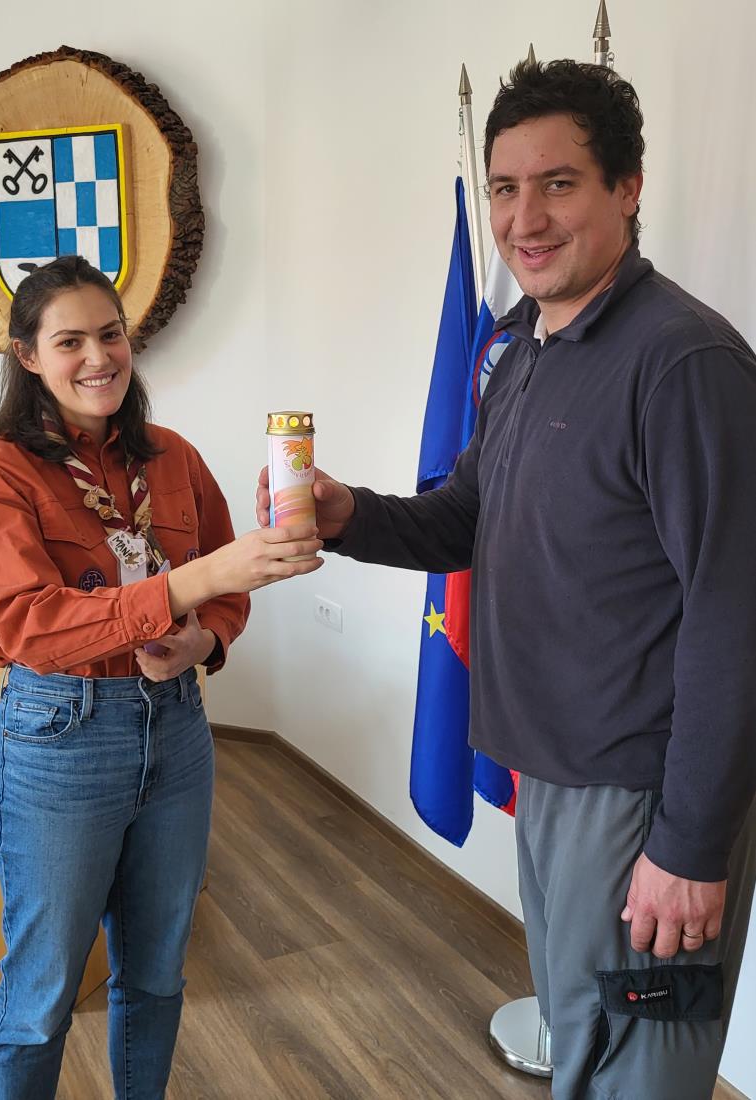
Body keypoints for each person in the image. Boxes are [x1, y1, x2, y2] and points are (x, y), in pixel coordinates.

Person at [257, 60, 756, 1099]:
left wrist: (689, 846)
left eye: (558, 184)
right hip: (549, 767)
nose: (524, 219)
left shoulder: (684, 362)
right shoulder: (522, 347)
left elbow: (734, 613)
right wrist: (348, 514)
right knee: (583, 1051)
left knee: (636, 1077)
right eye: (503, 187)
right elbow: (467, 517)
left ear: (627, 188)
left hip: (639, 792)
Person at [0, 255, 322, 1100]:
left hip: (177, 730)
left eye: (111, 334)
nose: (99, 357)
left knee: (157, 973)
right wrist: (191, 584)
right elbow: (31, 625)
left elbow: (226, 590)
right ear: (28, 356)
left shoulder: (174, 457)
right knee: (43, 994)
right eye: (70, 341)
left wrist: (205, 640)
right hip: (63, 738)